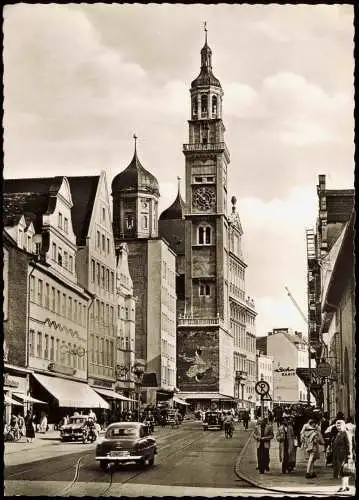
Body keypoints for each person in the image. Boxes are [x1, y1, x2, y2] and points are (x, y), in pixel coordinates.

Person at [332, 419, 354, 492]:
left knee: (343, 471)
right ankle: (347, 486)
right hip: (338, 454)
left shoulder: (345, 433)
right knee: (345, 471)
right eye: (337, 425)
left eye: (340, 425)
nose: (338, 427)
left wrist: (349, 455)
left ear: (343, 425)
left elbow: (349, 444)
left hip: (344, 455)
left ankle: (343, 486)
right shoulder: (339, 433)